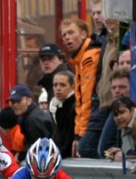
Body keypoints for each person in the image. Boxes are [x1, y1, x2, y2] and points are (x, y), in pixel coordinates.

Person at [59, 17, 102, 157]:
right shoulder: (79, 59)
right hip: (92, 118)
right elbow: (80, 101)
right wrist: (77, 133)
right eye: (64, 35)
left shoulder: (89, 57)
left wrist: (81, 133)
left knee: (86, 149)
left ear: (83, 34)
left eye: (71, 33)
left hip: (97, 115)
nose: (67, 38)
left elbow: (87, 98)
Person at [9, 84, 57, 156]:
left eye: (19, 101)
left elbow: (39, 148)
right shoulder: (31, 115)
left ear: (29, 101)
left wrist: (20, 156)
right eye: (12, 102)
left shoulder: (33, 120)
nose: (15, 105)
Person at [50, 71, 77, 157]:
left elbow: (68, 137)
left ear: (73, 86)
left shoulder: (73, 106)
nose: (58, 88)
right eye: (55, 85)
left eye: (62, 85)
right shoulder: (60, 106)